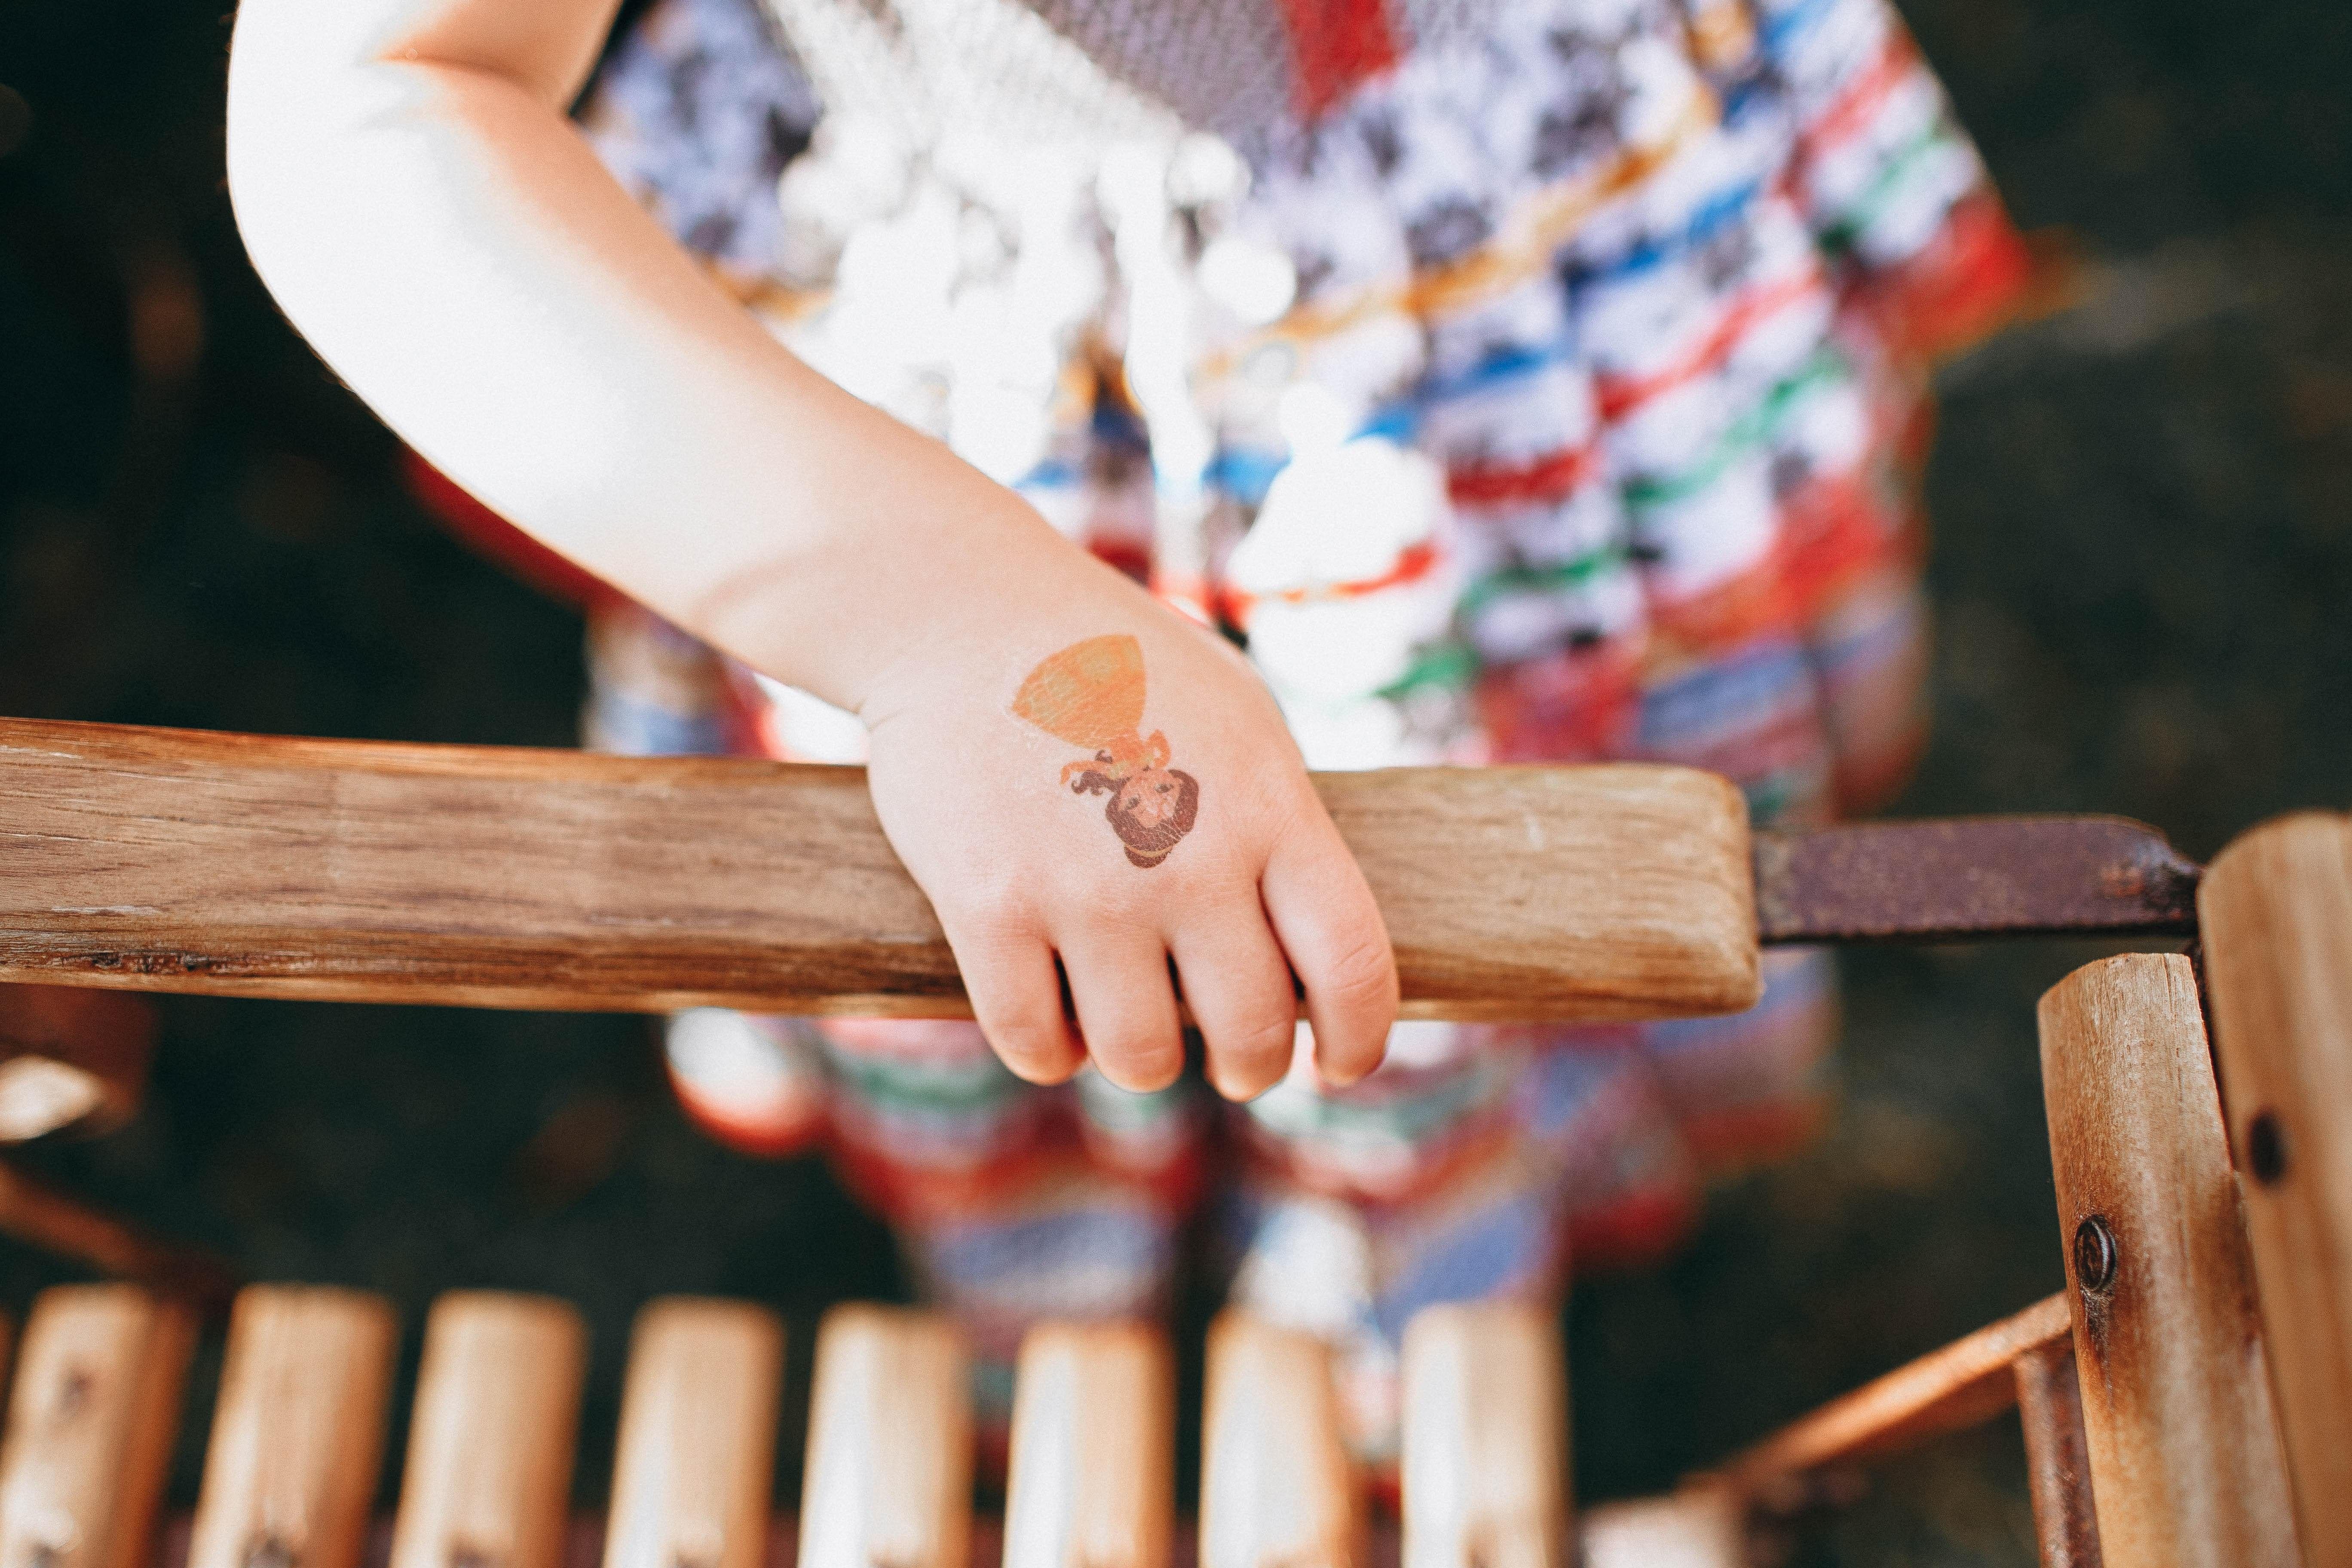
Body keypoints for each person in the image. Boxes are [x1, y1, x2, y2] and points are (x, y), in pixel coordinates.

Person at [227, 0, 2033, 1464]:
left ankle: (1500, 1173)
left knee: (1540, 788)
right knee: (1121, 900)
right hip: (1019, 376)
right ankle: (1130, 1234)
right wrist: (942, 617)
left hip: (1556, 212)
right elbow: (375, 94)